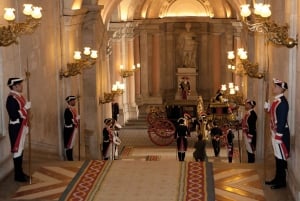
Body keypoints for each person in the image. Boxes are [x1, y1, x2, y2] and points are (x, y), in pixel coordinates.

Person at [264, 78, 290, 189]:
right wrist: (268, 108)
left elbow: (282, 120)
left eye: (275, 87)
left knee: (280, 158)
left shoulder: (283, 103)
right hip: (275, 133)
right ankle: (277, 178)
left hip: (280, 134)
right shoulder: (277, 101)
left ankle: (281, 181)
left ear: (280, 89)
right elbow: (274, 114)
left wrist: (279, 136)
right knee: (277, 156)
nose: (274, 88)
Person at [6, 77, 31, 182]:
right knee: (17, 151)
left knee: (20, 151)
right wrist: (25, 108)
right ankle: (18, 175)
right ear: (14, 86)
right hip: (16, 128)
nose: (22, 86)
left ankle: (20, 172)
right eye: (20, 85)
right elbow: (14, 116)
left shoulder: (19, 97)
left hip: (21, 127)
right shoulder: (11, 99)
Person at [63, 96, 79, 161]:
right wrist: (74, 121)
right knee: (68, 145)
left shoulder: (73, 109)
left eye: (74, 100)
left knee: (71, 145)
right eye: (73, 101)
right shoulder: (67, 110)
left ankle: (71, 159)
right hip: (68, 130)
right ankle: (69, 160)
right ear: (69, 102)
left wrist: (76, 119)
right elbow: (67, 120)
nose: (74, 102)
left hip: (73, 129)